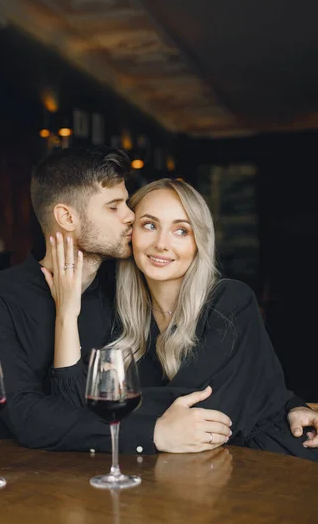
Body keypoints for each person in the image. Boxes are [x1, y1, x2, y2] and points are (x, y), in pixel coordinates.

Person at [0, 146, 318, 455]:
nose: (130, 217)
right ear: (67, 217)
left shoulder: (124, 290)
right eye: (116, 207)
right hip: (29, 479)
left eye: (181, 229)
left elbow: (202, 387)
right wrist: (152, 433)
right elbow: (28, 417)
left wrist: (287, 403)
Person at [45, 176, 318, 460]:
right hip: (172, 470)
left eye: (181, 231)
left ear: (199, 242)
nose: (162, 244)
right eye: (149, 225)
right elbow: (66, 405)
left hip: (265, 459)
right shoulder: (111, 309)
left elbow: (204, 411)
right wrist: (66, 313)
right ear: (130, 234)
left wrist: (104, 414)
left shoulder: (231, 301)